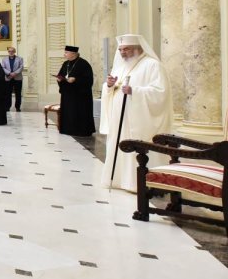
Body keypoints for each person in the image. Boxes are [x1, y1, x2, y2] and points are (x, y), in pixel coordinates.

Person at [100, 34, 171, 192]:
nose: (123, 53)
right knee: (120, 147)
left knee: (136, 148)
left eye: (126, 49)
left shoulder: (152, 65)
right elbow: (111, 89)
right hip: (120, 118)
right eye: (120, 49)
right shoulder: (120, 66)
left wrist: (135, 91)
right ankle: (120, 180)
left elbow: (160, 92)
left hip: (140, 120)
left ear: (138, 49)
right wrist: (109, 86)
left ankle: (142, 182)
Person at [56, 45, 95, 136]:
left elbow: (88, 80)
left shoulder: (84, 64)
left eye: (66, 52)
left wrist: (76, 80)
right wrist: (60, 79)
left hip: (80, 95)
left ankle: (80, 131)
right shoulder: (66, 64)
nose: (64, 54)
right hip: (67, 93)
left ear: (73, 53)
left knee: (79, 113)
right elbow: (60, 74)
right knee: (68, 112)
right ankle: (67, 129)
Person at [1, 47, 24, 111]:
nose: (11, 52)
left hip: (18, 78)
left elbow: (21, 67)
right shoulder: (4, 59)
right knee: (8, 93)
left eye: (12, 51)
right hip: (8, 78)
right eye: (9, 51)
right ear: (8, 52)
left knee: (18, 93)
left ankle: (17, 107)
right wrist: (9, 73)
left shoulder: (20, 59)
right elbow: (3, 67)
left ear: (15, 51)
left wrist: (14, 73)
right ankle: (7, 107)